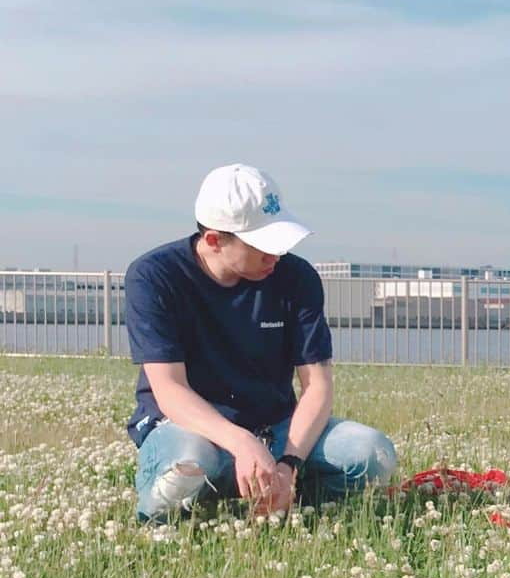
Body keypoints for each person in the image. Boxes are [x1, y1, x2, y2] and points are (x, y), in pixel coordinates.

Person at [124, 163, 397, 522]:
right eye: (263, 246)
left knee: (373, 452)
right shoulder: (154, 276)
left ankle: (285, 496)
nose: (276, 256)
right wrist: (241, 442)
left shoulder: (296, 277)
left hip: (275, 428)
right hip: (190, 428)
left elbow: (318, 385)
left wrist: (288, 463)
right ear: (214, 240)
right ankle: (184, 505)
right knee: (186, 466)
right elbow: (169, 390)